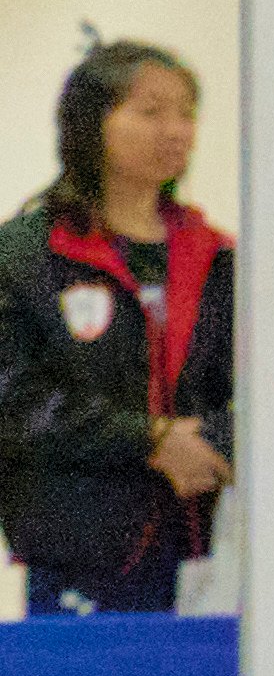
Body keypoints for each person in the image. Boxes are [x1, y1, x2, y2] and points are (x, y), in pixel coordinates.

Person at [1, 39, 229, 619]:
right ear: (89, 122)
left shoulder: (218, 257)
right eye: (151, 111)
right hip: (79, 554)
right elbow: (16, 399)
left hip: (207, 548)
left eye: (186, 113)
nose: (176, 130)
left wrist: (214, 443)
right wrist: (150, 440)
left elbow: (260, 387)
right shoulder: (25, 255)